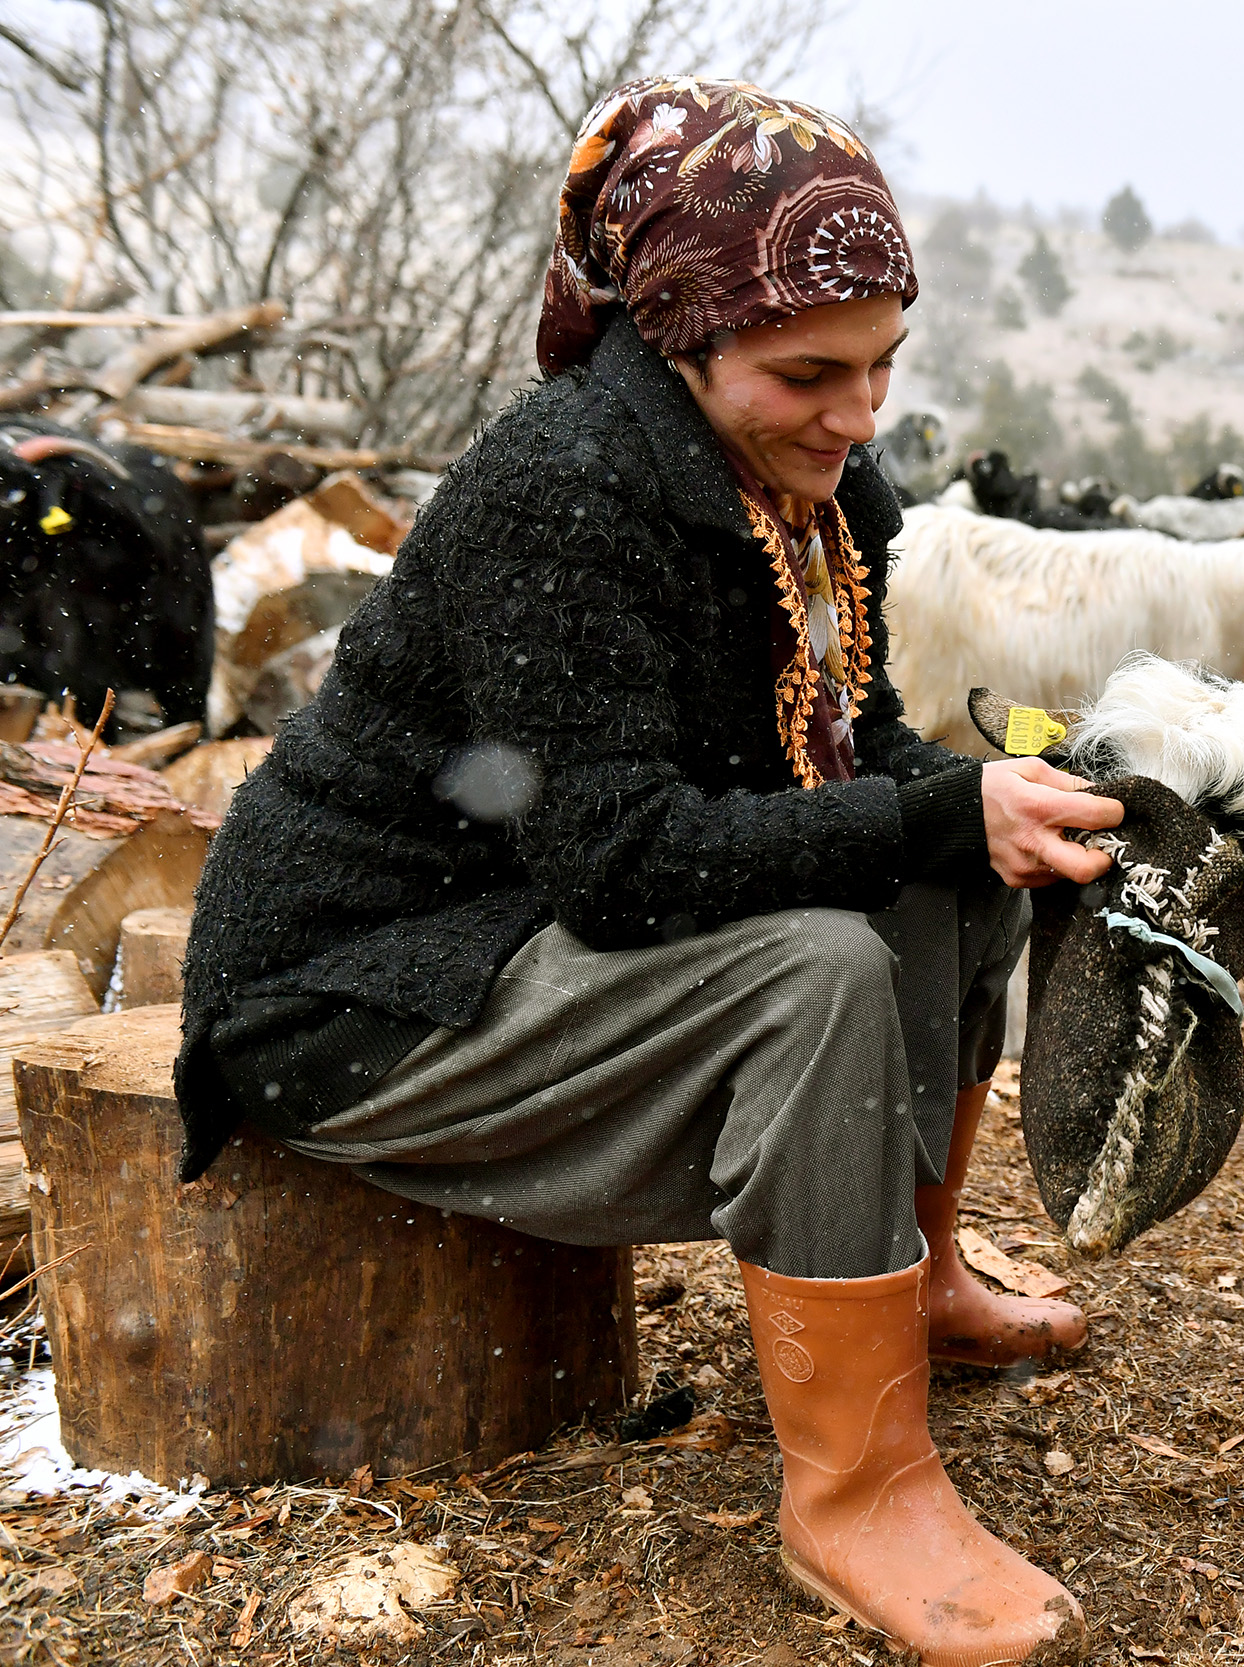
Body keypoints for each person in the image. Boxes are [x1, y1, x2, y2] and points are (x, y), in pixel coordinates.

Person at [175, 77, 1104, 1667]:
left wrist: (1007, 800)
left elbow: (853, 747)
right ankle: (857, 1490)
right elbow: (613, 858)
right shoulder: (565, 490)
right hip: (361, 986)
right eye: (808, 373)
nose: (858, 414)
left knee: (956, 867)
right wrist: (925, 814)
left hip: (514, 919)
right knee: (816, 968)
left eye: (883, 367)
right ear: (677, 337)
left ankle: (918, 1273)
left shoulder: (811, 491)